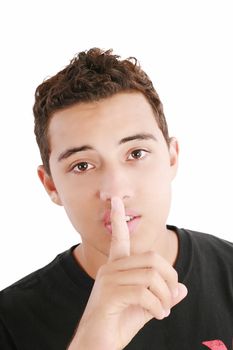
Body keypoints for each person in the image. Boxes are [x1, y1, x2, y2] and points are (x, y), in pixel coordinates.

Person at [0, 48, 232, 350]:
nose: (115, 190)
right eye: (82, 165)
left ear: (172, 157)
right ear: (51, 185)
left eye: (136, 153)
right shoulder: (9, 323)